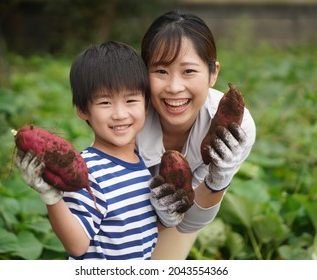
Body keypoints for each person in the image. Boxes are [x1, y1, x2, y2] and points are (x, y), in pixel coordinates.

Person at [16, 41, 159, 260]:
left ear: (146, 104)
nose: (120, 114)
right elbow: (77, 245)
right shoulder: (86, 171)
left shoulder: (142, 164)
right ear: (83, 110)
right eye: (105, 103)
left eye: (131, 100)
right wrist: (52, 198)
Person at [136, 10, 257, 259]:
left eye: (189, 71)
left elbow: (189, 223)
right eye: (160, 71)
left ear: (213, 73)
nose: (174, 87)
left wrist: (218, 179)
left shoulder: (235, 126)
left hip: (189, 215)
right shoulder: (127, 119)